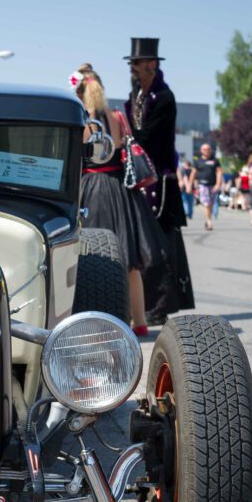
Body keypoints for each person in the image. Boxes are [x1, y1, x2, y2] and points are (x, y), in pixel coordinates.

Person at [73, 64, 164, 337]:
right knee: (130, 261)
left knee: (93, 257)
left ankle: (101, 322)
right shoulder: (116, 117)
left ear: (81, 92)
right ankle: (140, 321)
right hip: (120, 191)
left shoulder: (81, 121)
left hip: (91, 188)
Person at [124, 37, 194, 325]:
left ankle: (161, 304)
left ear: (151, 65)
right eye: (133, 64)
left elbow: (149, 136)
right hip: (142, 177)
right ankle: (146, 302)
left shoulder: (164, 98)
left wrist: (125, 135)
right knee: (144, 244)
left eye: (138, 64)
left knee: (162, 243)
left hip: (160, 181)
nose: (134, 69)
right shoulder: (135, 99)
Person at [189, 143, 223, 231]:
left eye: (208, 149)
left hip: (213, 185)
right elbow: (193, 173)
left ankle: (208, 219)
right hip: (202, 185)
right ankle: (209, 221)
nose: (206, 151)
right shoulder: (198, 161)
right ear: (201, 151)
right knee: (206, 203)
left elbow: (219, 172)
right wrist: (190, 185)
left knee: (211, 204)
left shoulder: (215, 160)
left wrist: (218, 184)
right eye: (204, 149)